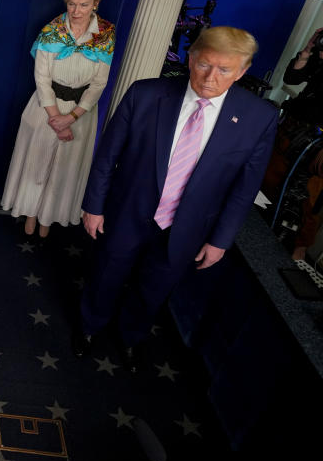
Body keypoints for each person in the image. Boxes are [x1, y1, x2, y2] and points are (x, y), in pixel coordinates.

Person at [75, 26, 277, 371]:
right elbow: (107, 156)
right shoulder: (145, 94)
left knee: (153, 289)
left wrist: (220, 241)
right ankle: (89, 326)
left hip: (188, 228)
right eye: (204, 64)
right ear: (191, 57)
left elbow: (244, 189)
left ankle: (129, 336)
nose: (210, 78)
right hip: (127, 212)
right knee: (106, 274)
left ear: (242, 71)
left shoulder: (260, 117)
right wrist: (93, 206)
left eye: (224, 70)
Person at [0, 0, 114, 241]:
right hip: (45, 108)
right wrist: (56, 118)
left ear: (95, 3)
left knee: (65, 167)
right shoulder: (51, 30)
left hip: (81, 112)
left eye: (84, 5)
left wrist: (71, 117)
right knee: (36, 163)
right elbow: (41, 78)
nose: (76, 11)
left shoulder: (106, 33)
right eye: (72, 4)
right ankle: (29, 212)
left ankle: (48, 216)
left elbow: (99, 83)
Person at [262, 27, 323, 261]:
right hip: (293, 129)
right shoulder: (317, 60)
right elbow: (292, 79)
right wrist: (308, 51)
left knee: (307, 197)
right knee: (271, 175)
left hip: (316, 144)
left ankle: (298, 254)